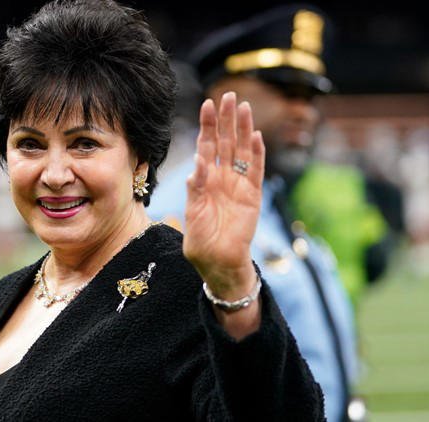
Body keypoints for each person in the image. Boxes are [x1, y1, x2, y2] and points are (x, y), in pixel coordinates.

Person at [0, 1, 323, 420]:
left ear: (140, 159)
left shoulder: (188, 290)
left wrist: (233, 286)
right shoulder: (2, 296)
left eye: (84, 144)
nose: (54, 174)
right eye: (30, 144)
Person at [147, 4, 364, 421]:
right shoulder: (180, 213)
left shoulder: (273, 198)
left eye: (312, 97)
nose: (304, 111)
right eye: (284, 89)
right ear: (220, 97)